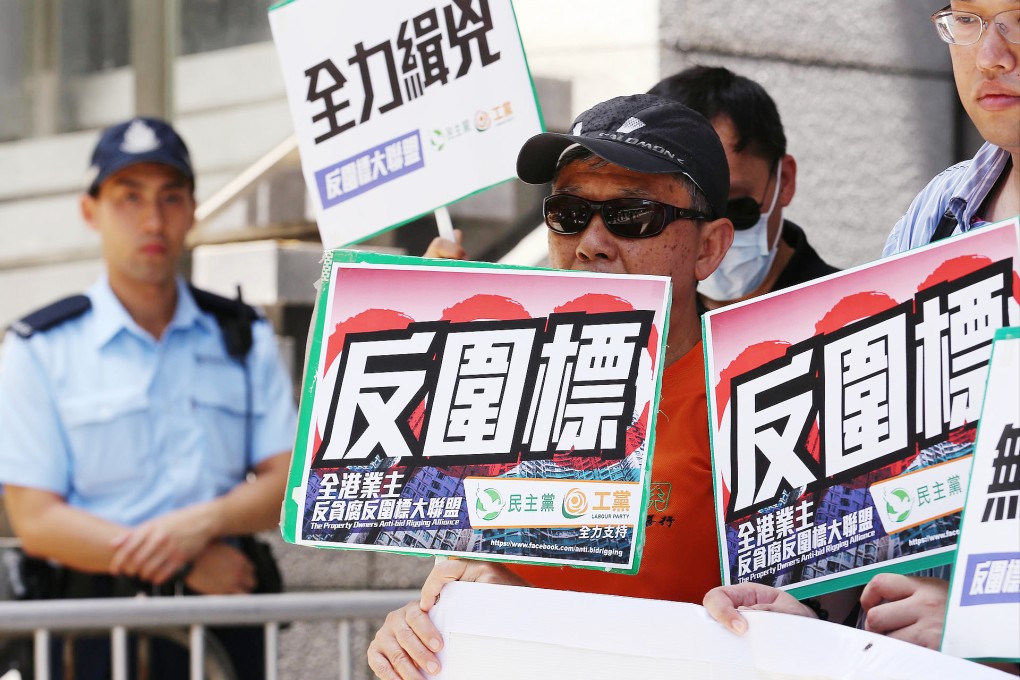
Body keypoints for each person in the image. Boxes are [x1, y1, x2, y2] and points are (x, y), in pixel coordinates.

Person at [367, 93, 735, 680]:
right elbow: (460, 581)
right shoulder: (492, 380)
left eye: (631, 215)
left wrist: (528, 606)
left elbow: (787, 631)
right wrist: (413, 635)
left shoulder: (755, 393)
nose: (591, 241)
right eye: (567, 213)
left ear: (709, 247)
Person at [704, 1, 1019, 672]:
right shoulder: (939, 211)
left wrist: (989, 611)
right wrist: (814, 605)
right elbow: (877, 465)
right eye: (967, 19)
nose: (993, 52)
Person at [0, 117, 297, 679]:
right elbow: (35, 518)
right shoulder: (40, 348)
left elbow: (286, 478)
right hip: (86, 633)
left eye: (170, 198)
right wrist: (183, 563)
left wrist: (201, 524)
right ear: (91, 211)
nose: (152, 219)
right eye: (128, 198)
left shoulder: (241, 334)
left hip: (226, 620)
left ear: (192, 210)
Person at [648, 65, 838, 311]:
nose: (710, 240)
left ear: (785, 181)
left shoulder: (854, 321)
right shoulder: (636, 327)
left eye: (735, 206)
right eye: (667, 214)